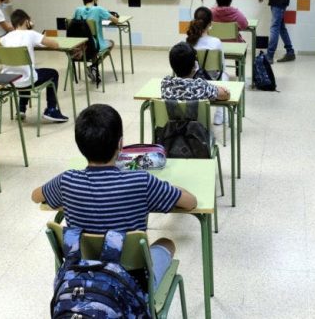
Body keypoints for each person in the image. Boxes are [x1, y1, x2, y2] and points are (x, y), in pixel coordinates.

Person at [31, 104, 197, 290]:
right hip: (132, 285)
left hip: (84, 276)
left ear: (80, 146)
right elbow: (190, 203)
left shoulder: (67, 181)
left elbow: (36, 196)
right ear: (120, 144)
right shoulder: (141, 181)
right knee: (166, 243)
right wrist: (170, 187)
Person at [0, 9, 68, 123]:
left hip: (9, 81)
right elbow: (55, 45)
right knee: (52, 73)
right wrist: (38, 35)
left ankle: (21, 109)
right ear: (26, 21)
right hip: (27, 80)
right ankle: (51, 109)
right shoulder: (31, 33)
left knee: (25, 71)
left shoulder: (6, 37)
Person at [186, 7, 231, 125]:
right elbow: (222, 67)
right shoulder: (216, 42)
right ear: (210, 24)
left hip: (193, 82)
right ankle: (220, 114)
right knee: (225, 75)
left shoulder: (188, 41)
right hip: (213, 81)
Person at [162, 42, 231, 106]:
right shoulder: (200, 86)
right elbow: (225, 95)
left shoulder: (166, 84)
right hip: (198, 119)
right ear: (194, 66)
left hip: (171, 119)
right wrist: (219, 88)